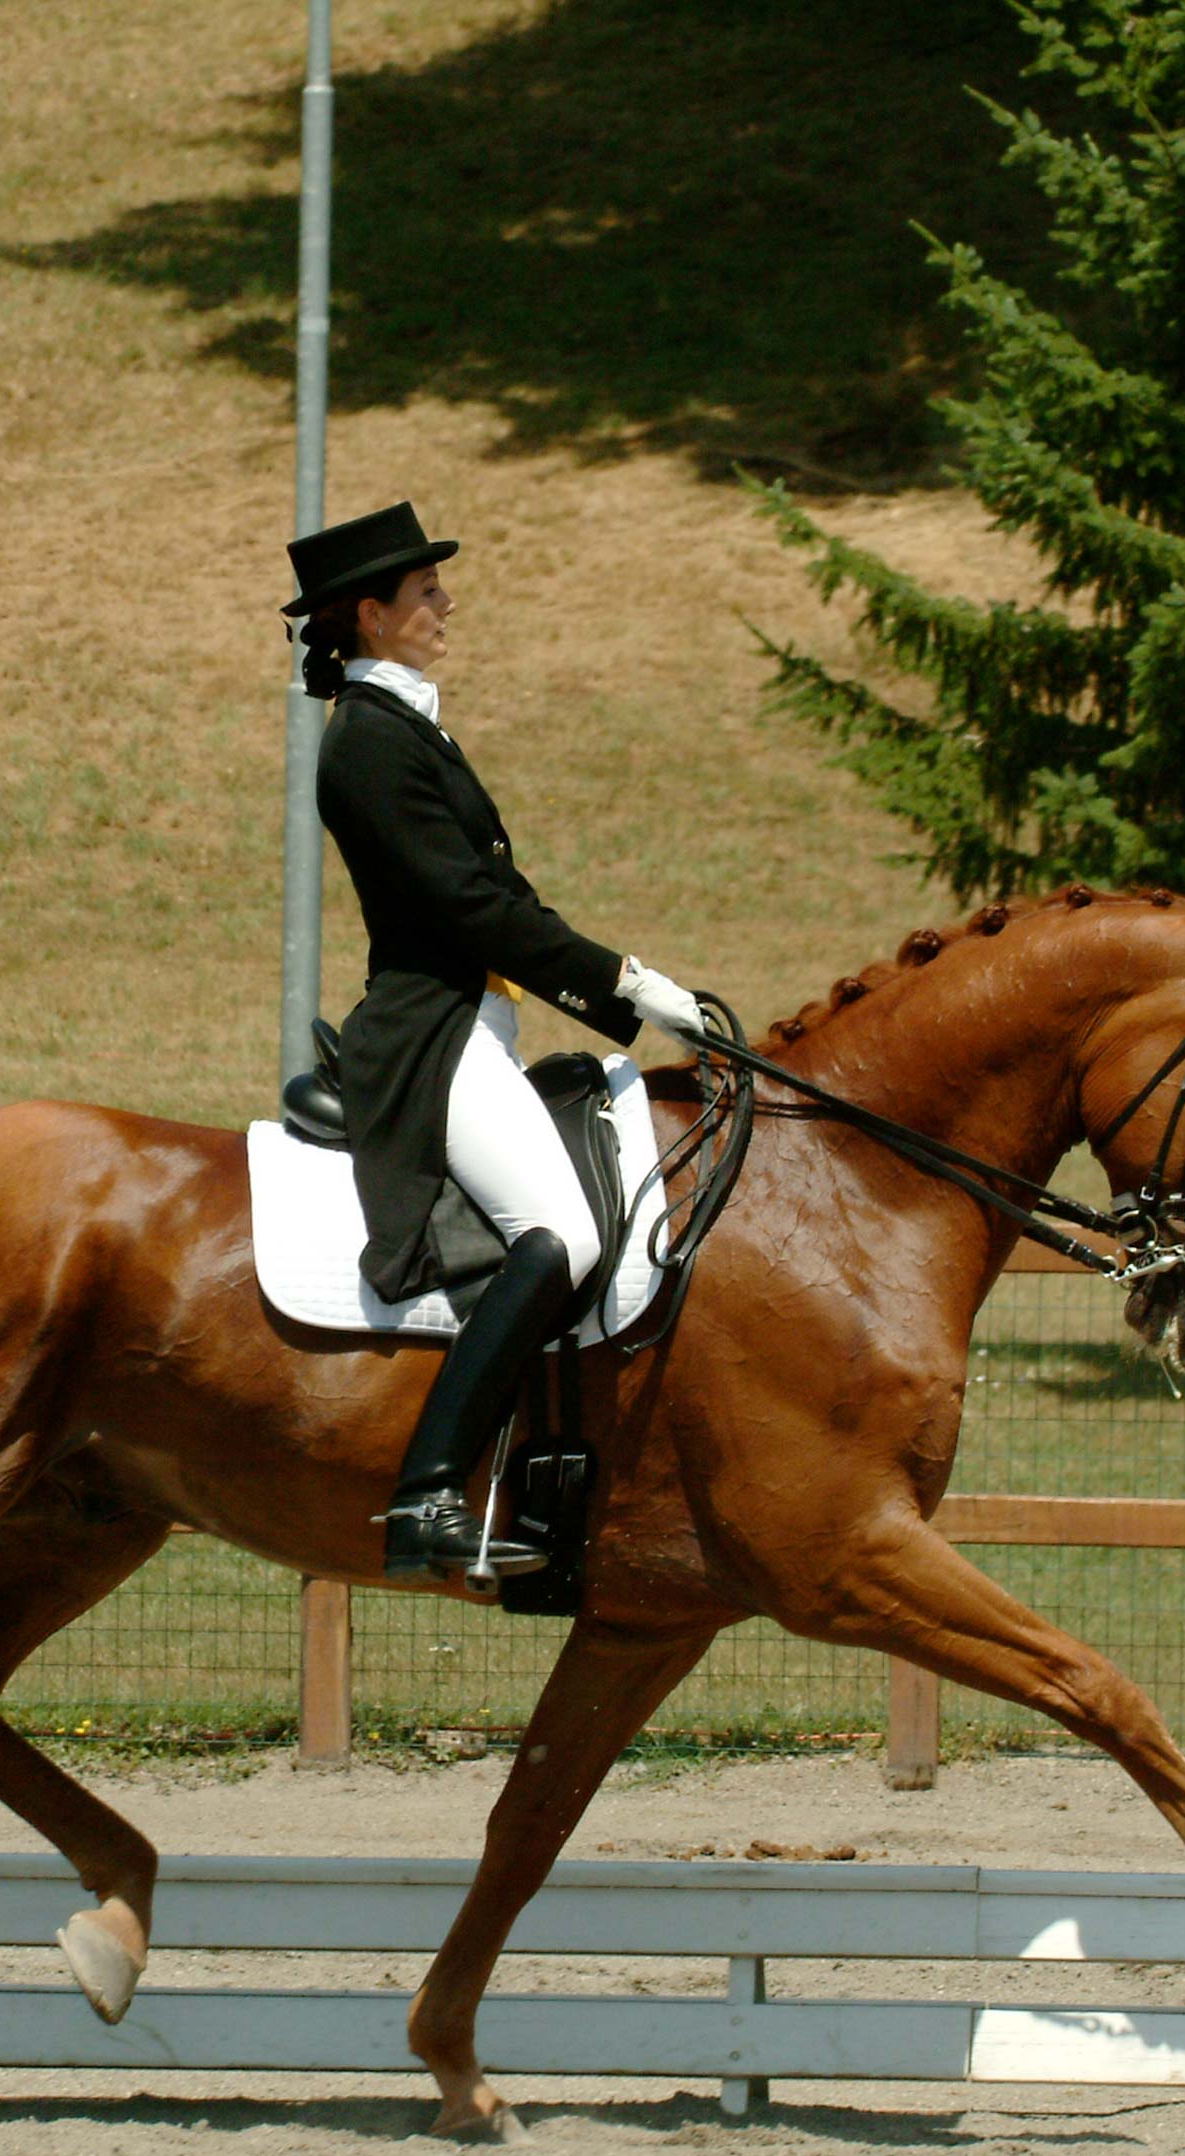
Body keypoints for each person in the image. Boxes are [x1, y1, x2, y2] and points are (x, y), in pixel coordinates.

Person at [282, 502, 710, 1586]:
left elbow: (496, 894)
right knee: (560, 1232)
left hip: (476, 1018)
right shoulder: (366, 749)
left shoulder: (409, 729)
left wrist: (614, 986)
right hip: (429, 1033)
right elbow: (469, 907)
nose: (445, 605)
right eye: (426, 593)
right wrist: (626, 983)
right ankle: (427, 1489)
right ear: (372, 613)